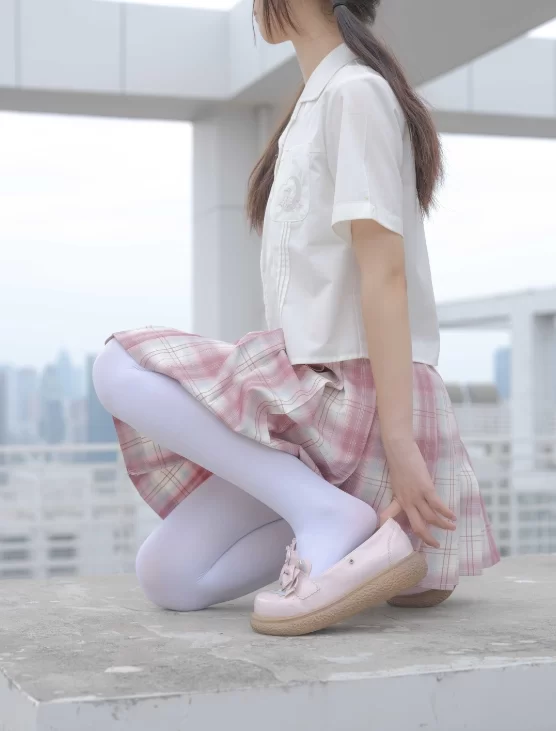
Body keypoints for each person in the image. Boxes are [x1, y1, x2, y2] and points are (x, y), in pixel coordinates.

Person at [93, 0, 499, 636]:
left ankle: (331, 517)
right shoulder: (314, 106)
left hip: (351, 393)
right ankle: (335, 518)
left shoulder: (356, 93)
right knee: (167, 576)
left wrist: (401, 444)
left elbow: (385, 275)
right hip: (314, 407)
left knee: (117, 364)